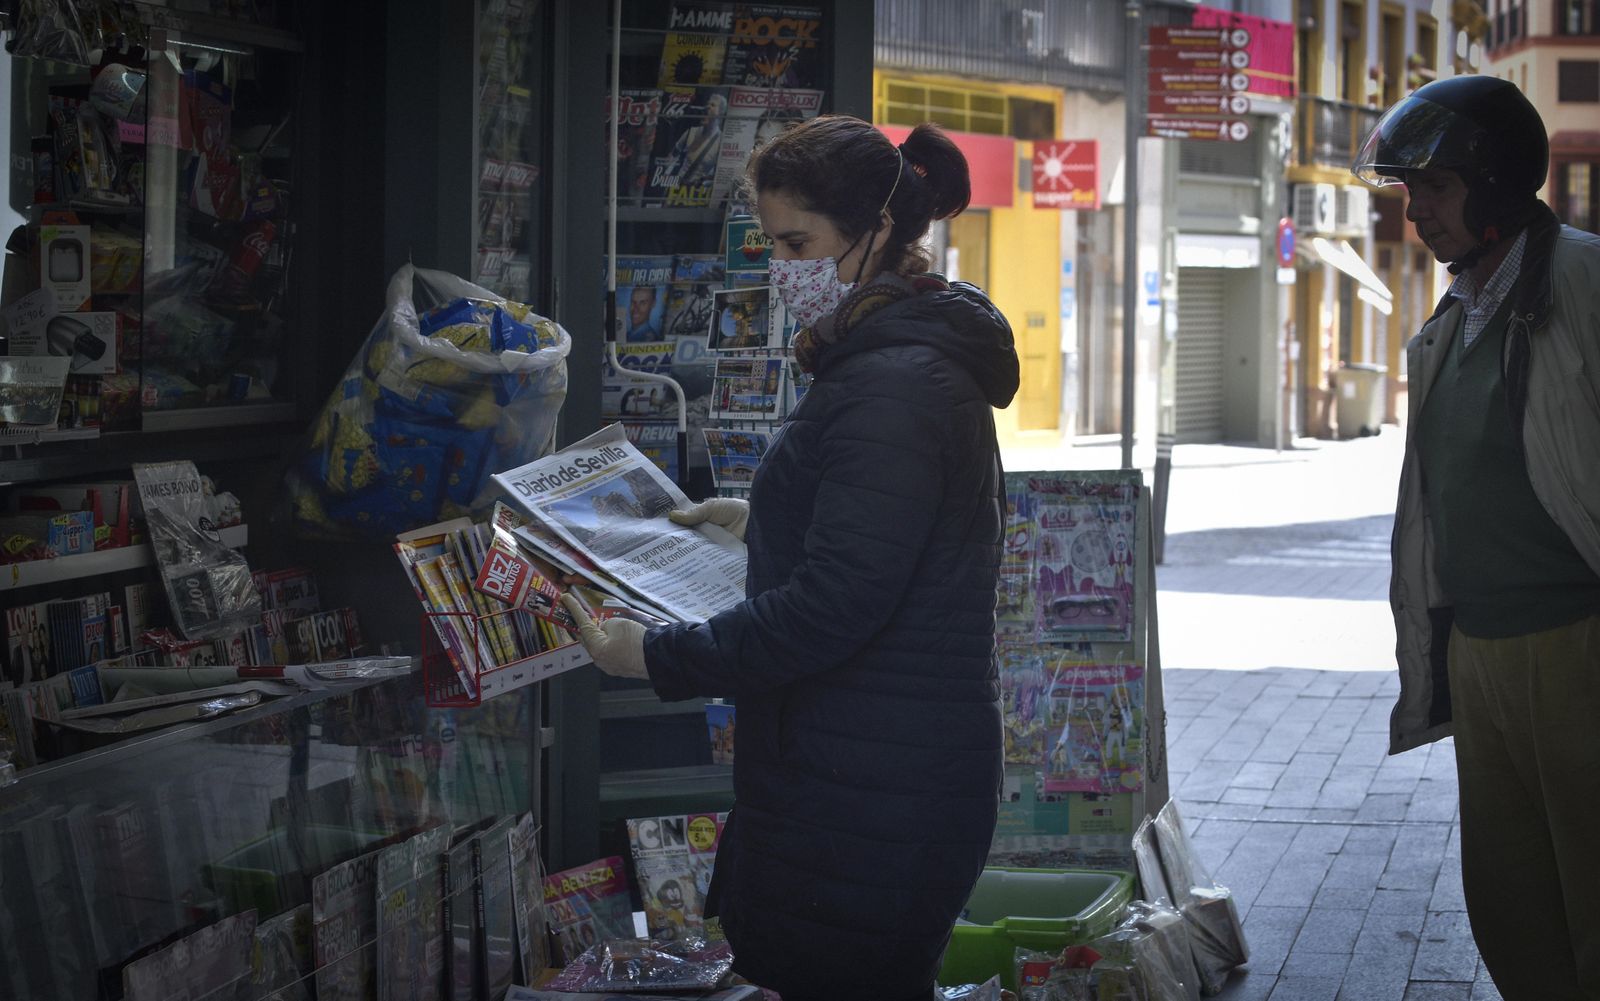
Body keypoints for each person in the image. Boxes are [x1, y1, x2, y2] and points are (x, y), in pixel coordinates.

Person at [561, 116, 1019, 1000]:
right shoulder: (893, 358)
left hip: (868, 797)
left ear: (876, 229)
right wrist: (764, 517)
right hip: (865, 779)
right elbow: (881, 536)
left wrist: (653, 653)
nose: (783, 269)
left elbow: (835, 604)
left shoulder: (893, 380)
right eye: (773, 244)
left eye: (797, 243)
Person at [1354, 75, 1600, 1000]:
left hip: (1579, 643)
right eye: (1410, 192)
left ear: (1497, 186)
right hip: (1483, 655)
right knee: (1511, 901)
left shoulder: (1583, 282)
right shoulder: (1449, 321)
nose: (1417, 213)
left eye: (1437, 189)